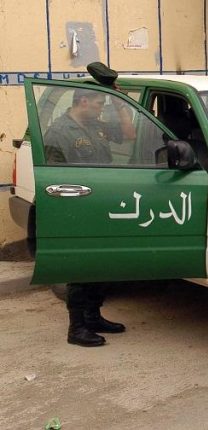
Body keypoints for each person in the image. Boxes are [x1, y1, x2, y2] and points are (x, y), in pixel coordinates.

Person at [43, 62, 128, 346]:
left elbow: (129, 133)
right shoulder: (59, 132)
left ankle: (93, 316)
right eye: (99, 103)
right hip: (76, 207)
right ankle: (76, 327)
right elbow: (54, 177)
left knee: (101, 264)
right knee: (80, 268)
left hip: (100, 204)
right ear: (83, 101)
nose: (101, 108)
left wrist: (119, 101)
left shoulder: (95, 125)